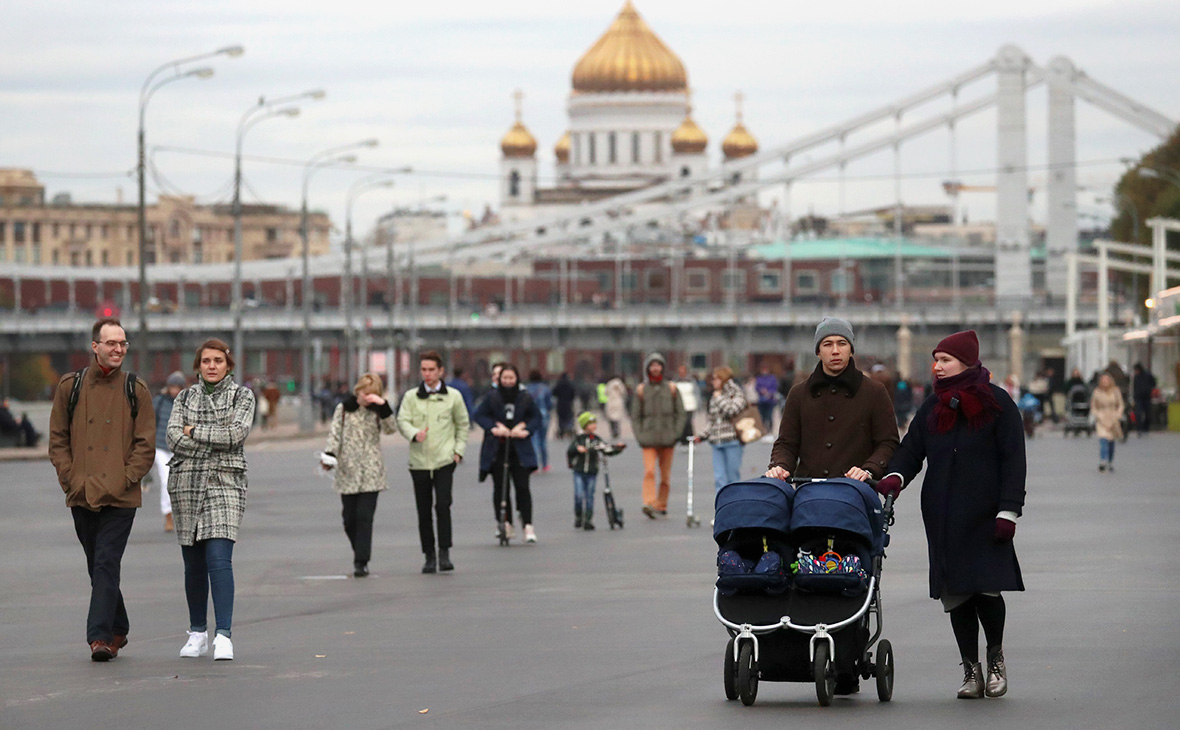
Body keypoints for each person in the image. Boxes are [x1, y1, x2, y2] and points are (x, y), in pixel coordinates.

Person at [874, 330, 1025, 700]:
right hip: (943, 514)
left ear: (967, 363)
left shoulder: (998, 403)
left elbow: (1014, 461)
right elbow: (912, 451)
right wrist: (895, 476)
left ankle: (995, 659)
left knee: (987, 588)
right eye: (936, 360)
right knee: (956, 593)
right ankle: (970, 669)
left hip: (987, 513)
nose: (937, 366)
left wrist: (1009, 510)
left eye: (945, 360)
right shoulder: (932, 406)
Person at [48, 317, 155, 661]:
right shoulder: (71, 386)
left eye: (123, 344)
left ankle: (100, 637)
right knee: (97, 565)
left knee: (107, 562)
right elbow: (58, 439)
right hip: (82, 492)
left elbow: (145, 444)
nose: (118, 349)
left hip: (120, 496)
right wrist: (70, 477)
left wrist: (126, 478)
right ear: (95, 347)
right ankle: (119, 627)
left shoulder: (135, 389)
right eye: (111, 343)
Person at [166, 338, 256, 661]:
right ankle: (197, 633)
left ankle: (224, 635)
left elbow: (236, 435)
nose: (212, 366)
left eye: (218, 360)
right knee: (193, 564)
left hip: (225, 482)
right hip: (186, 483)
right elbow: (172, 436)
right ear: (198, 365)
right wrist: (204, 438)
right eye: (206, 361)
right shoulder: (185, 397)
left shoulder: (242, 396)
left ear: (228, 365)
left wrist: (195, 432)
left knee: (219, 559)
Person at [766, 316, 899, 483]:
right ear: (818, 352)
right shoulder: (799, 393)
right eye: (827, 344)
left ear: (851, 349)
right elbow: (786, 443)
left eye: (842, 343)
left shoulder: (874, 391)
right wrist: (780, 466)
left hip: (856, 489)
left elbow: (888, 442)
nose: (835, 351)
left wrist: (869, 469)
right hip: (808, 491)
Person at [396, 351, 469, 572]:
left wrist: (458, 451)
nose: (427, 374)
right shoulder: (411, 396)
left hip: (444, 459)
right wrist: (413, 433)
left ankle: (444, 551)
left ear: (440, 371)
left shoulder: (453, 396)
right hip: (419, 461)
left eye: (431, 370)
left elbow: (462, 424)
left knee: (443, 504)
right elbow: (402, 420)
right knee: (424, 509)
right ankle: (429, 555)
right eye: (423, 370)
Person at [324, 372, 397, 577]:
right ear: (358, 391)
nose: (368, 398)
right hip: (348, 470)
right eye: (365, 393)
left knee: (365, 516)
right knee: (349, 518)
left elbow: (391, 429)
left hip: (371, 470)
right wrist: (329, 455)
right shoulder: (344, 409)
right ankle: (359, 548)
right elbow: (335, 434)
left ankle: (361, 561)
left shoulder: (377, 411)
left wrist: (382, 405)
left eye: (372, 394)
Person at [473, 364, 543, 543]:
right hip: (498, 448)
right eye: (505, 378)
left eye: (511, 378)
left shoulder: (524, 397)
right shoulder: (492, 397)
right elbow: (479, 415)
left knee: (523, 487)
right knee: (501, 489)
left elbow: (536, 417)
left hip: (519, 449)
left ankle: (528, 525)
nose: (508, 382)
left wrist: (525, 428)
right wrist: (495, 427)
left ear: (517, 378)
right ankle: (505, 523)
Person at [631, 352, 685, 519]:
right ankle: (648, 502)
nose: (655, 368)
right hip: (648, 439)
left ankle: (661, 504)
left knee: (665, 476)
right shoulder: (641, 390)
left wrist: (676, 433)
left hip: (668, 439)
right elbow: (635, 416)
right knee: (649, 472)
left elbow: (681, 414)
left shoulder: (672, 388)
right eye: (652, 365)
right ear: (648, 368)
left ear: (662, 367)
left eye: (658, 365)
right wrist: (640, 436)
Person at [693, 366, 748, 494]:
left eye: (716, 379)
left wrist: (719, 398)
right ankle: (722, 505)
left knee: (732, 478)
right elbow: (713, 421)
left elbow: (731, 411)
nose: (713, 382)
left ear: (723, 379)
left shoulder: (737, 393)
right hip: (716, 442)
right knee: (719, 478)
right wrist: (701, 436)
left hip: (732, 441)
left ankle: (734, 503)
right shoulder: (715, 395)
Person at [567, 412, 625, 530]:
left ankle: (588, 519)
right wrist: (578, 449)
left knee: (589, 496)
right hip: (579, 471)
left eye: (594, 423)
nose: (594, 425)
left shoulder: (596, 439)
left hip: (592, 472)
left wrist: (618, 448)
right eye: (590, 423)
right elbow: (570, 451)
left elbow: (606, 449)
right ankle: (579, 516)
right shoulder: (578, 439)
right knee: (578, 495)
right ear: (584, 425)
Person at [153, 372, 187, 532]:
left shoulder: (187, 402)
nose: (175, 390)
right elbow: (150, 422)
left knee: (182, 484)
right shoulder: (159, 401)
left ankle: (182, 516)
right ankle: (168, 516)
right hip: (161, 447)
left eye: (178, 387)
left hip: (180, 448)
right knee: (166, 481)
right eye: (172, 387)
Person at [1090, 373, 1124, 472]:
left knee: (1111, 441)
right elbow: (1093, 406)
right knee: (1103, 439)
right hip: (1101, 418)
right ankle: (1103, 461)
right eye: (1103, 380)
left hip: (1113, 418)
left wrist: (1118, 414)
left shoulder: (1115, 391)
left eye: (1107, 380)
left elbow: (1120, 404)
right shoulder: (1097, 392)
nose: (1105, 382)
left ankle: (1110, 461)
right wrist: (1098, 415)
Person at [526, 370, 554, 472]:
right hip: (543, 416)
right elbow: (550, 404)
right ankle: (545, 464)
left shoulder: (527, 389)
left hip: (530, 418)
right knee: (543, 441)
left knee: (533, 441)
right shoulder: (545, 389)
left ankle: (534, 464)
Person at [674, 364, 702, 442]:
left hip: (690, 405)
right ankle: (683, 439)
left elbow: (696, 392)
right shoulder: (675, 381)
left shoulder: (691, 381)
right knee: (682, 422)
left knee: (688, 422)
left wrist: (698, 404)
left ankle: (689, 438)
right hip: (679, 405)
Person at [1131, 363, 1156, 436]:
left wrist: (1149, 389)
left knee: (1147, 413)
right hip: (1138, 397)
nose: (1136, 372)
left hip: (1147, 397)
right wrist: (1134, 397)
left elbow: (1153, 383)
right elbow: (1134, 387)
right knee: (1138, 413)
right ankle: (1139, 428)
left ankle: (1146, 428)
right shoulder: (1136, 377)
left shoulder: (1148, 375)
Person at [754, 364, 779, 434]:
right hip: (761, 401)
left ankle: (769, 431)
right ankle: (763, 430)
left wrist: (769, 393)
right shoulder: (759, 378)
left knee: (769, 416)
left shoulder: (772, 378)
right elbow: (756, 387)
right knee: (762, 417)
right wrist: (761, 390)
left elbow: (775, 388)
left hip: (770, 401)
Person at [553, 372, 577, 439]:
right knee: (569, 417)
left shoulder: (559, 384)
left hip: (560, 404)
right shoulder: (570, 384)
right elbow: (573, 394)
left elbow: (554, 392)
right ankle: (569, 429)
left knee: (561, 418)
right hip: (568, 404)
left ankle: (562, 430)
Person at [604, 375, 627, 440]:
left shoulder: (609, 384)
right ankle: (617, 430)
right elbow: (623, 392)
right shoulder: (620, 384)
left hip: (610, 402)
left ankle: (613, 431)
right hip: (618, 402)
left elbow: (605, 392)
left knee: (611, 417)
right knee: (617, 418)